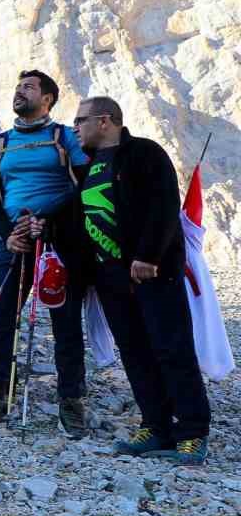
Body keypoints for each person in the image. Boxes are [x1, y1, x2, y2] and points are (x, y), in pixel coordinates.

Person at [72, 98, 210, 463]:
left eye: (80, 121)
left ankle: (192, 432)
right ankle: (155, 426)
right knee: (134, 352)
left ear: (104, 121)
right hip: (111, 278)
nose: (75, 128)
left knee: (171, 348)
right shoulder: (88, 168)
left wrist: (148, 256)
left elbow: (163, 206)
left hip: (150, 271)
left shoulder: (144, 153)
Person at [0, 70, 90, 435]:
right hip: (14, 238)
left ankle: (71, 399)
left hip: (58, 238)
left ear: (48, 98)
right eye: (17, 87)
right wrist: (8, 236)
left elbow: (82, 186)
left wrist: (48, 220)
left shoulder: (66, 138)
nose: (19, 93)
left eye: (28, 88)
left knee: (65, 319)